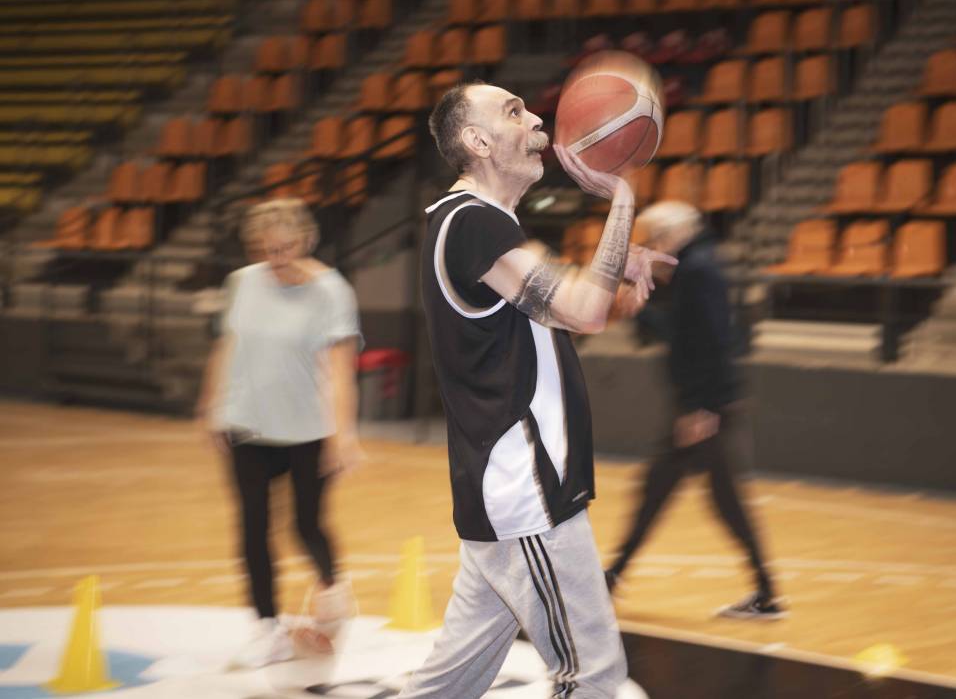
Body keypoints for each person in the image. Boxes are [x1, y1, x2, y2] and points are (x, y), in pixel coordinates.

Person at [398, 81, 673, 699]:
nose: (538, 118)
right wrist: (621, 197)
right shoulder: (472, 224)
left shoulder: (482, 225)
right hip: (525, 492)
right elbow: (582, 311)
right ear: (477, 141)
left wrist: (614, 261)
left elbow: (561, 301)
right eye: (514, 111)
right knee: (594, 678)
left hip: (507, 491)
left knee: (447, 685)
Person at [196, 198, 365, 668]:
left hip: (309, 432)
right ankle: (266, 627)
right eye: (267, 249)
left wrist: (343, 435)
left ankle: (332, 585)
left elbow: (339, 369)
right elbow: (228, 344)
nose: (277, 257)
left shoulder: (332, 291)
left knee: (306, 525)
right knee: (252, 528)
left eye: (286, 247)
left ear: (306, 241)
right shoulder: (242, 283)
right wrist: (212, 404)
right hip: (247, 424)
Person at [605, 201, 785, 621]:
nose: (649, 245)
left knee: (713, 501)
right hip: (704, 404)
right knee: (660, 491)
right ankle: (613, 576)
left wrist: (700, 408)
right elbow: (685, 333)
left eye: (653, 238)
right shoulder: (696, 266)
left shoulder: (700, 270)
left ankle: (767, 593)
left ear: (670, 236)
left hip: (707, 409)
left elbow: (712, 342)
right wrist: (643, 310)